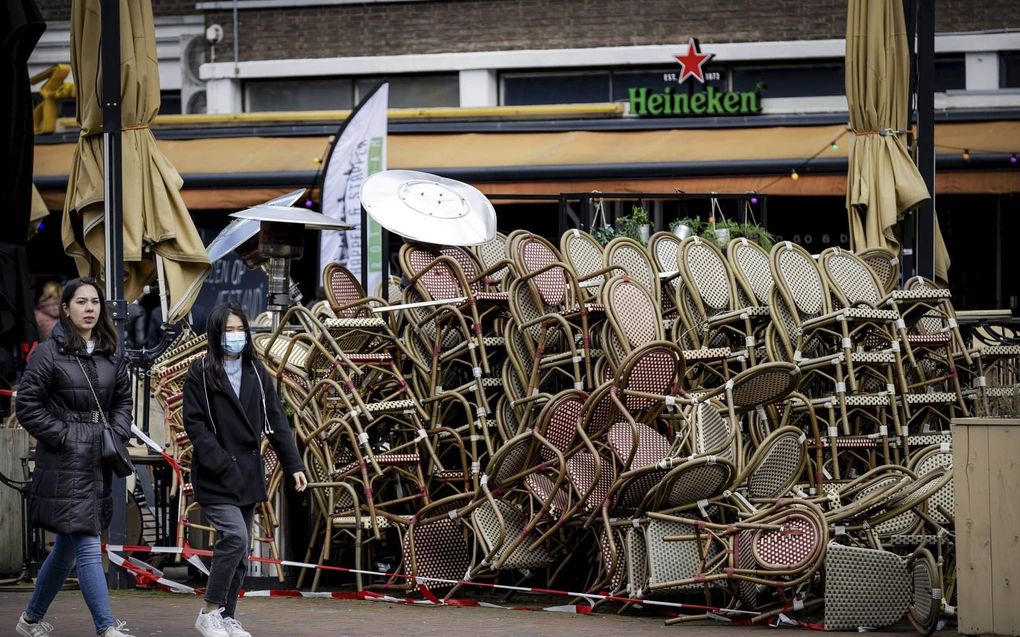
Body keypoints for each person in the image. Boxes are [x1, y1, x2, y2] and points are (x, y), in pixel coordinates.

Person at [14, 277, 133, 637]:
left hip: (99, 457)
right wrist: (64, 434)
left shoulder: (113, 351)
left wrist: (118, 432)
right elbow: (27, 405)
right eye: (81, 302)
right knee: (85, 539)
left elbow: (124, 400)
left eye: (95, 302)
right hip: (65, 460)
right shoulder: (49, 353)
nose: (89, 309)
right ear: (66, 308)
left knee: (67, 546)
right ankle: (105, 626)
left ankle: (30, 620)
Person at [182, 301, 307, 637]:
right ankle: (209, 611)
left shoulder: (257, 372)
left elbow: (277, 421)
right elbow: (194, 424)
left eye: (240, 329)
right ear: (215, 334)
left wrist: (293, 464)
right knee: (235, 537)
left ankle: (226, 616)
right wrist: (220, 460)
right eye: (227, 330)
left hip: (249, 475)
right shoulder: (201, 372)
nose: (234, 336)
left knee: (240, 551)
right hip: (215, 473)